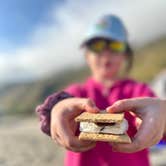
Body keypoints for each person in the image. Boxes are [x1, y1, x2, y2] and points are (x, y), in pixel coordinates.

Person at [36, 14, 155, 166]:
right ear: (86, 55)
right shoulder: (76, 93)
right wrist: (56, 108)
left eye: (115, 46)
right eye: (97, 46)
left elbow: (158, 120)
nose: (106, 54)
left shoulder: (140, 91)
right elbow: (51, 112)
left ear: (125, 54)